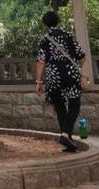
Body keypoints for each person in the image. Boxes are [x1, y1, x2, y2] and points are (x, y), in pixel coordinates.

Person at [34, 10, 87, 152]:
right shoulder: (68, 36)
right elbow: (82, 56)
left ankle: (66, 139)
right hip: (71, 74)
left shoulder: (45, 39)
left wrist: (38, 82)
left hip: (53, 77)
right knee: (74, 104)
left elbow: (40, 61)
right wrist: (77, 69)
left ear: (45, 24)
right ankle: (65, 135)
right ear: (59, 21)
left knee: (60, 107)